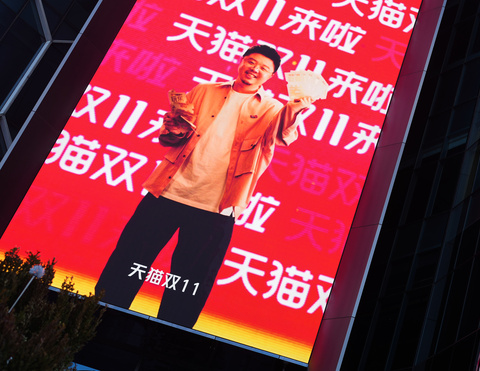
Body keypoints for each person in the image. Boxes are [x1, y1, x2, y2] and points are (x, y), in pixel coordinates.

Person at [94, 45, 315, 328]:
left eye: (263, 68)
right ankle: (94, 322)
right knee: (127, 261)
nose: (254, 69)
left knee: (189, 282)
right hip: (168, 192)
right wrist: (173, 127)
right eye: (251, 62)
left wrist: (296, 108)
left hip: (217, 207)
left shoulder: (273, 109)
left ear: (271, 76)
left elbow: (284, 135)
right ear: (241, 62)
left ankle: (167, 343)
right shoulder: (203, 91)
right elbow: (171, 135)